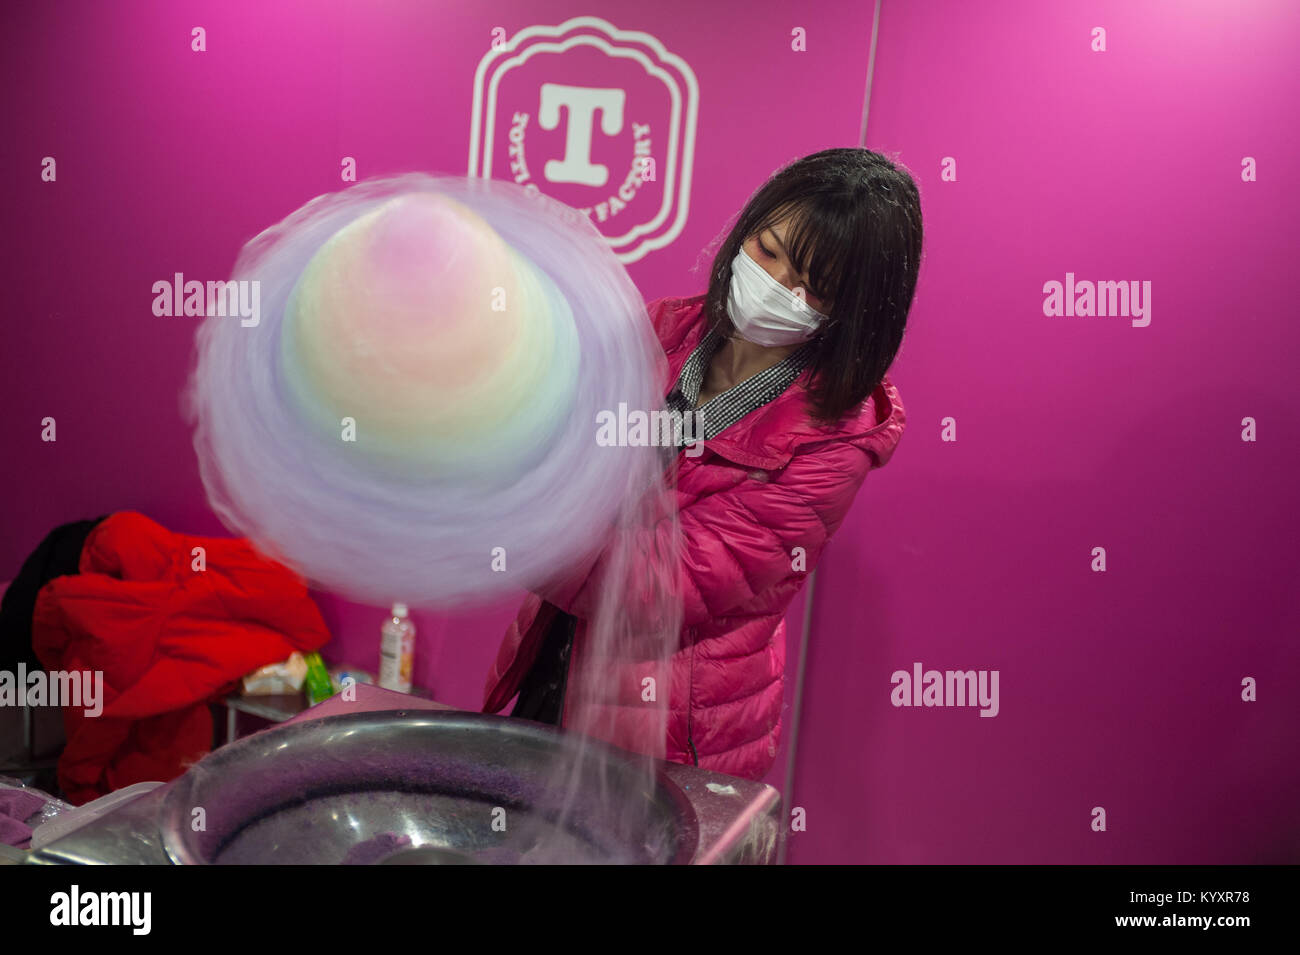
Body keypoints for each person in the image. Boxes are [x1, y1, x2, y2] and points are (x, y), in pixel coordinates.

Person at [483, 147, 923, 781]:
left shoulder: (831, 444)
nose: (777, 287)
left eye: (812, 286)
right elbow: (557, 442)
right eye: (768, 250)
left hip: (667, 728)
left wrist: (501, 515)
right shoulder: (662, 328)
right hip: (553, 664)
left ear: (852, 313)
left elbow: (661, 587)